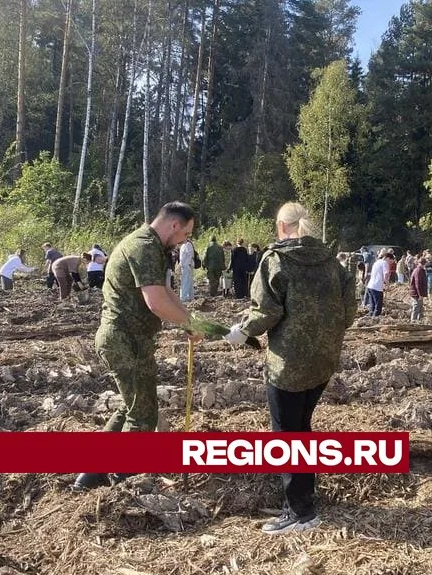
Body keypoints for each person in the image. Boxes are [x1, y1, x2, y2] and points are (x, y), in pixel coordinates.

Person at [225, 202, 356, 534]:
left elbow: (266, 311)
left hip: (288, 365)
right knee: (302, 429)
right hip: (323, 361)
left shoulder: (276, 260)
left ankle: (300, 512)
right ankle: (304, 496)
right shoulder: (331, 262)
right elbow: (349, 310)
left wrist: (242, 332)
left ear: (282, 226)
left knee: (286, 436)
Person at [73, 201, 205, 492]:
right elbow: (156, 303)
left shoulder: (154, 247)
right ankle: (125, 484)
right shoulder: (144, 246)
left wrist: (189, 319)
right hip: (123, 340)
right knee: (143, 417)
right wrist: (188, 324)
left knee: (130, 407)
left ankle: (89, 476)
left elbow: (166, 292)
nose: (186, 240)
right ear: (173, 225)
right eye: (186, 234)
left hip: (133, 340)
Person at [366, 249, 389, 317]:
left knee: (372, 306)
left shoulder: (376, 262)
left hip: (370, 286)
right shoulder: (384, 263)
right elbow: (386, 274)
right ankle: (375, 320)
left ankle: (370, 319)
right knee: (378, 307)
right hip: (377, 287)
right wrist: (386, 283)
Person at [408, 255, 428, 322]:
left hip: (418, 293)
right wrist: (420, 295)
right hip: (416, 293)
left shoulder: (421, 270)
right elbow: (417, 284)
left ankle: (420, 321)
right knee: (416, 307)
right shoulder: (418, 271)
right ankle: (413, 321)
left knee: (420, 308)